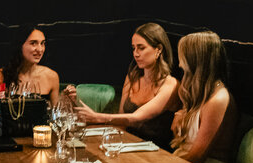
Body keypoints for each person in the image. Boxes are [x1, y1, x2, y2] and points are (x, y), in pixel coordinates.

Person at [68, 22, 180, 150]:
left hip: (157, 153)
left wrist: (97, 117)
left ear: (158, 49)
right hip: (127, 146)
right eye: (133, 48)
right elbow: (121, 124)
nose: (136, 53)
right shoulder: (132, 77)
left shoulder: (171, 84)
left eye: (141, 48)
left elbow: (136, 118)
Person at [168, 30, 238, 163]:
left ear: (196, 59)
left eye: (183, 55)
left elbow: (197, 157)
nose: (179, 63)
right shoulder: (201, 93)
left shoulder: (219, 99)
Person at [0, 24, 60, 107]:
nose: (40, 49)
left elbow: (56, 111)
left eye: (42, 43)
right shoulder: (0, 76)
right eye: (33, 43)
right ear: (20, 45)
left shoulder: (51, 76)